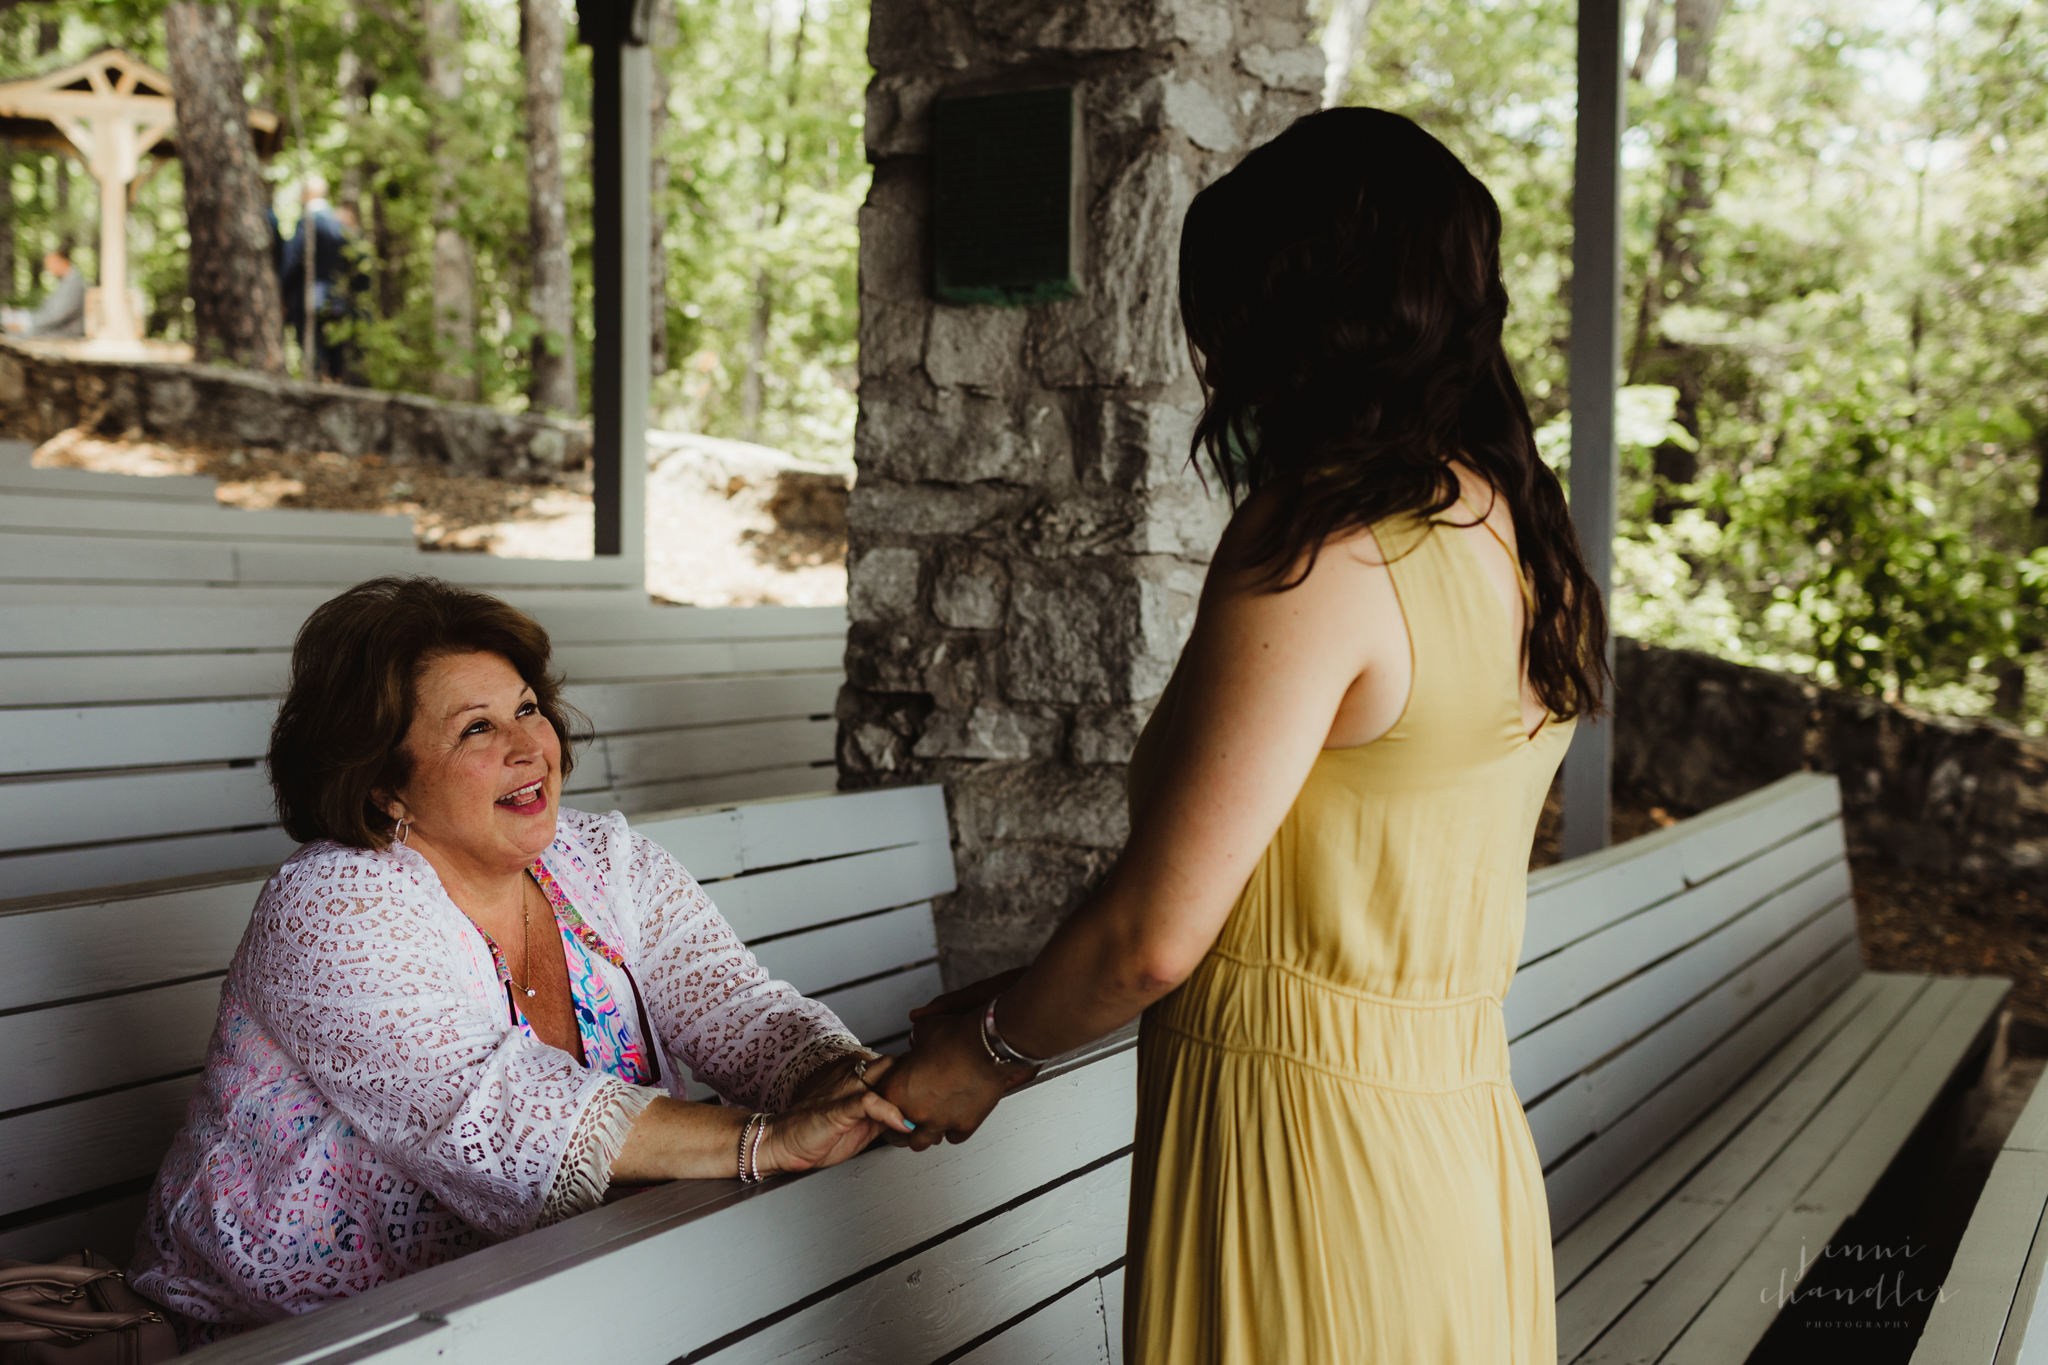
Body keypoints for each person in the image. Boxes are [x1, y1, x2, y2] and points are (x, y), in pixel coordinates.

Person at [878, 107, 1608, 1363]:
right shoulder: (1521, 538)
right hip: (1451, 1148)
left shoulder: (1321, 546)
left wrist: (987, 1059)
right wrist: (1010, 994)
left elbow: (1158, 935)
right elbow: (1312, 874)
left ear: (1302, 316)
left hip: (1302, 1161)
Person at [131, 576, 913, 1342]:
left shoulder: (604, 861)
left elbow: (741, 1012)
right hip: (306, 1337)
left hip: (558, 1292)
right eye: (476, 728)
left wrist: (850, 1082)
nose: (529, 747)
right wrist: (764, 1140)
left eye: (528, 709)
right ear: (383, 787)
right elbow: (494, 1108)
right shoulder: (331, 906)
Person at [280, 176, 355, 381]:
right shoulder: (339, 224)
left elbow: (294, 259)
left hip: (310, 294)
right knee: (334, 345)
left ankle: (317, 384)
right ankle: (335, 380)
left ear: (309, 194)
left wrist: (282, 291)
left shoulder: (308, 221)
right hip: (337, 295)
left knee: (311, 344)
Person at [6, 249, 86, 338]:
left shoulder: (74, 284)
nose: (48, 268)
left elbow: (58, 316)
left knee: (14, 336)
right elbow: (47, 312)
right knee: (11, 333)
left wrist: (27, 324)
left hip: (64, 333)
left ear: (64, 261)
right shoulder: (65, 282)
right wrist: (23, 315)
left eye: (51, 263)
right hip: (54, 329)